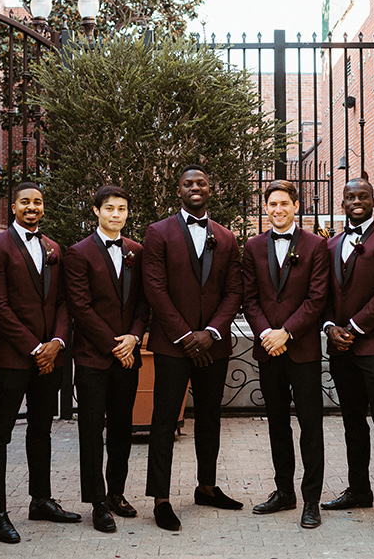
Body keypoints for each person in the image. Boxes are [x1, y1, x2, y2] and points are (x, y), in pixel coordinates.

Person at [143, 164, 245, 531]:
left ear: (210, 188)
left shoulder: (228, 238)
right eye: (188, 184)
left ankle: (206, 486)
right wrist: (186, 336)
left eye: (201, 182)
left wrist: (212, 332)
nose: (195, 188)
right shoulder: (158, 233)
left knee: (210, 419)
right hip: (173, 346)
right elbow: (155, 288)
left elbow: (235, 291)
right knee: (164, 419)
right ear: (179, 191)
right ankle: (161, 499)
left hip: (213, 347)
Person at [0, 181, 80, 544]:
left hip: (49, 358)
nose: (32, 207)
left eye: (37, 202)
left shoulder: (53, 248)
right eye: (25, 202)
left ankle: (41, 500)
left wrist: (55, 342)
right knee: (0, 433)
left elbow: (65, 301)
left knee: (41, 429)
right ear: (13, 207)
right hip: (13, 358)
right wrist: (34, 347)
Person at [242, 180, 329, 529]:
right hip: (268, 350)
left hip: (302, 350)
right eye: (272, 204)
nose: (277, 210)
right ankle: (284, 492)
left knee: (311, 427)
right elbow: (249, 297)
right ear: (266, 208)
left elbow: (317, 298)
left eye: (283, 203)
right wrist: (266, 333)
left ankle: (312, 501)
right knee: (278, 425)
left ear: (296, 205)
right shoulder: (252, 246)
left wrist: (286, 332)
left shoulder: (315, 245)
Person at [321, 177, 374, 532]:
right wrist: (329, 327)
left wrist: (353, 328)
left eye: (362, 196)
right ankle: (358, 489)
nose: (356, 201)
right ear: (341, 202)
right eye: (349, 196)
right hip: (340, 349)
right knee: (352, 423)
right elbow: (323, 291)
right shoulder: (331, 244)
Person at [65, 185, 150, 533]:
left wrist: (133, 337)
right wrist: (114, 345)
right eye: (110, 208)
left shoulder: (137, 251)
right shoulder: (78, 253)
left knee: (121, 429)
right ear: (96, 211)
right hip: (92, 358)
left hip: (128, 356)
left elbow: (144, 301)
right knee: (90, 432)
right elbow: (80, 307)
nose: (116, 214)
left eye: (122, 209)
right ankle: (96, 502)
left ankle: (116, 492)